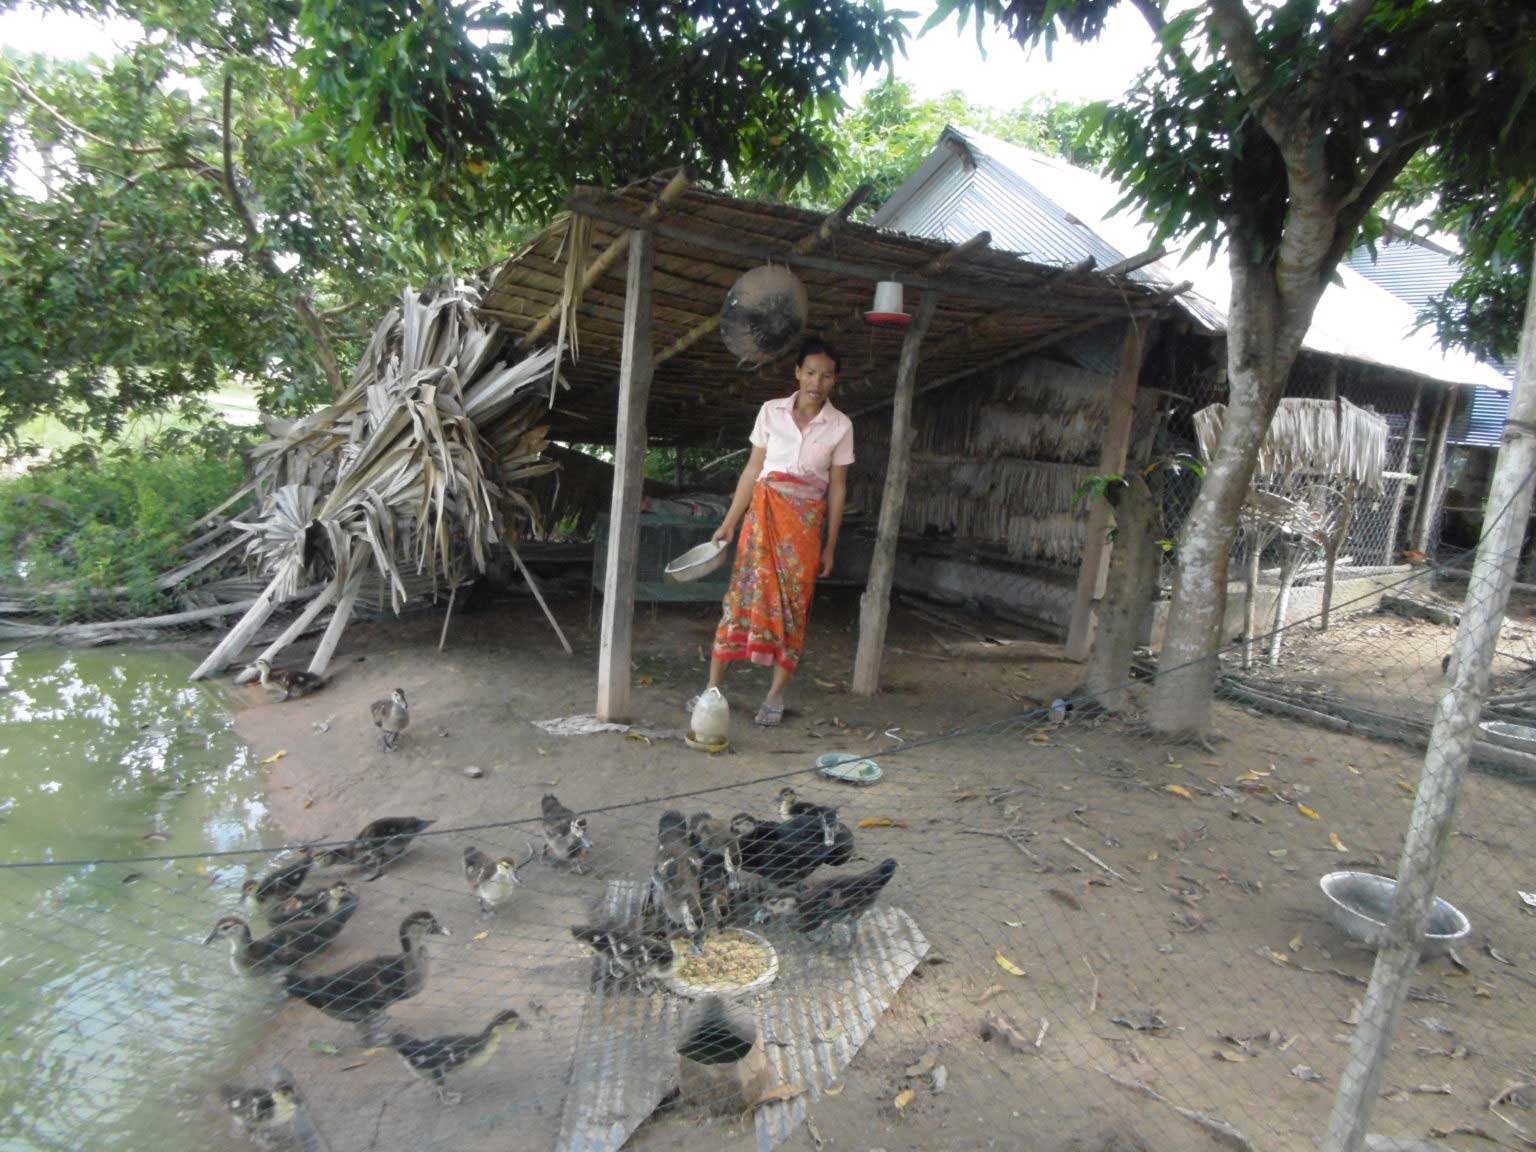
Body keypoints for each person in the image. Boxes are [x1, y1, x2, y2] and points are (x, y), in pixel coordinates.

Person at [697, 338, 853, 726]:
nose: (817, 382)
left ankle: (775, 695)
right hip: (761, 520)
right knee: (740, 598)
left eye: (826, 376)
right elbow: (753, 469)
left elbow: (837, 489)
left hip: (803, 530)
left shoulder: (840, 426)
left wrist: (830, 546)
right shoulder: (771, 411)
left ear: (835, 380)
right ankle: (712, 690)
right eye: (810, 372)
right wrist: (730, 521)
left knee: (793, 608)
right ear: (798, 372)